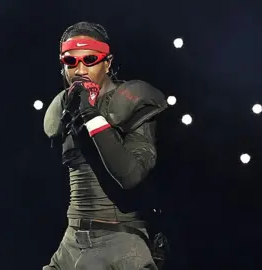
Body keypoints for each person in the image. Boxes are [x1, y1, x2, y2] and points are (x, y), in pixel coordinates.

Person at [43, 21, 168, 270]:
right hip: (72, 240)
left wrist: (92, 116)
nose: (79, 69)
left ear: (107, 63)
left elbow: (131, 175)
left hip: (120, 242)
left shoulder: (130, 100)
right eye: (71, 61)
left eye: (90, 59)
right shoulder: (62, 107)